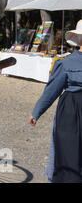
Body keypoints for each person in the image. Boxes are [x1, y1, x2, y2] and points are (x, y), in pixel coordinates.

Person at [29, 19, 82, 183]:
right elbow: (51, 91)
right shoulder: (66, 63)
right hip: (71, 111)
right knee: (70, 152)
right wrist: (37, 112)